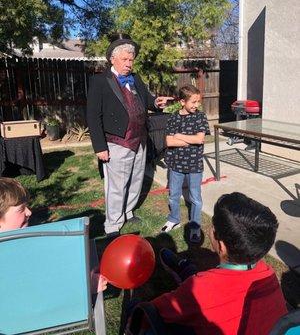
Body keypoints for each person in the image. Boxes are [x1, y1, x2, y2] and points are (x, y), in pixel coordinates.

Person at [147, 192, 287, 335]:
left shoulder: (202, 288)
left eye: (213, 226)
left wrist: (139, 311)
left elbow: (156, 309)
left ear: (222, 246)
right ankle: (184, 267)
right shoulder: (268, 274)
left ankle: (184, 270)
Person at [87, 34, 173, 237]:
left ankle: (128, 211)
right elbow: (92, 116)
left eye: (131, 60)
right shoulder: (100, 81)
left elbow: (146, 99)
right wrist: (100, 147)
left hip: (140, 140)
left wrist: (156, 103)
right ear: (112, 59)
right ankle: (112, 225)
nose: (128, 64)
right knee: (116, 186)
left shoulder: (136, 79)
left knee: (136, 179)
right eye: (125, 59)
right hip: (117, 141)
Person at [0, 177, 107, 293]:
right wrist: (85, 287)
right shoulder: (13, 263)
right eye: (21, 209)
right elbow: (40, 295)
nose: (29, 212)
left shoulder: (20, 244)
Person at [161, 84, 210, 243]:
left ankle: (195, 227)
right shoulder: (173, 117)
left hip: (194, 165)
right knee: (174, 195)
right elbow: (169, 141)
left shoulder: (200, 117)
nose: (196, 105)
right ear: (182, 101)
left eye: (198, 102)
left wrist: (180, 136)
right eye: (193, 102)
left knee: (195, 197)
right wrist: (190, 140)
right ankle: (174, 218)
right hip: (176, 165)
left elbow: (200, 139)